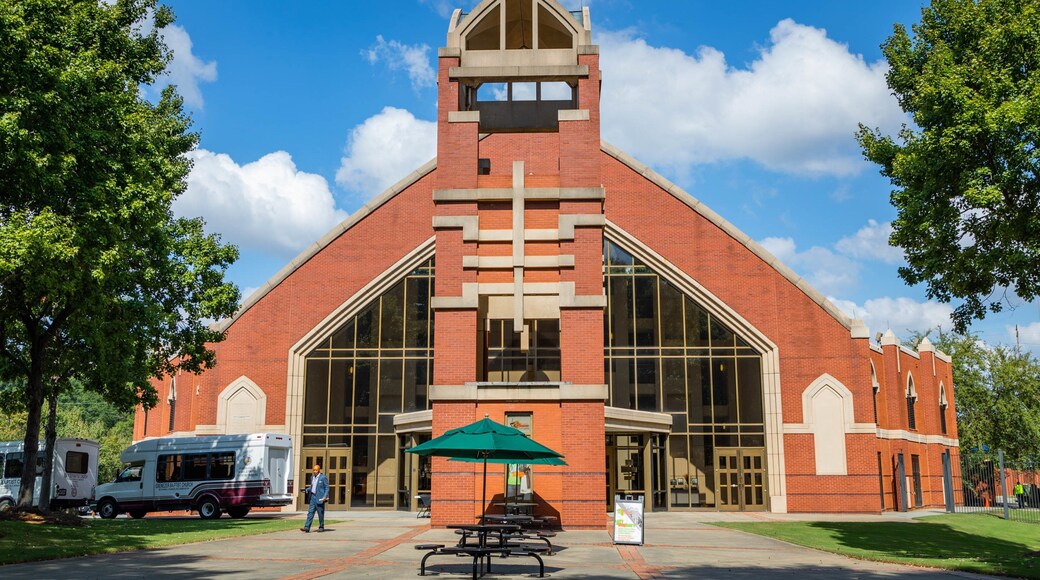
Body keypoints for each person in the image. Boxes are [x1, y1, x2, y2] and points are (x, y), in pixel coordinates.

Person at [301, 463, 329, 533]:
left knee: (320, 513)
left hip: (320, 498)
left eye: (316, 470)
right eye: (314, 470)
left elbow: (327, 488)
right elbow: (312, 487)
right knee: (310, 513)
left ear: (319, 470)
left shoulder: (323, 477)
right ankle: (307, 527)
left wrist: (324, 497)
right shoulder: (312, 477)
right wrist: (306, 490)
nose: (314, 471)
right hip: (313, 497)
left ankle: (321, 527)